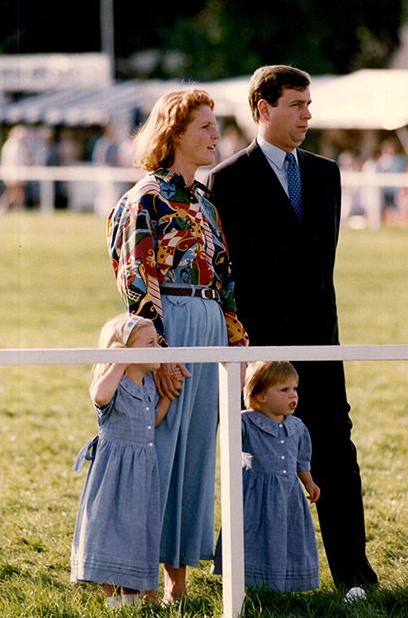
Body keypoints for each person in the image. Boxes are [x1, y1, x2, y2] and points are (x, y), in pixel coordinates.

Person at [207, 64, 378, 594]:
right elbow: (232, 275)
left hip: (323, 342)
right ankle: (242, 570)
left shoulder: (327, 174)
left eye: (309, 104)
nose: (308, 114)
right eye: (297, 104)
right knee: (255, 457)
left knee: (335, 450)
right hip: (262, 351)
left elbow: (320, 267)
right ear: (264, 108)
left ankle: (354, 575)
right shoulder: (227, 180)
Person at [106, 88, 249, 604]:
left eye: (215, 126)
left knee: (194, 460)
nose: (216, 135)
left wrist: (236, 344)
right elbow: (137, 279)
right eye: (206, 127)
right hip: (170, 328)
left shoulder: (207, 202)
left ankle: (177, 583)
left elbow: (225, 279)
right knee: (158, 453)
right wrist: (160, 353)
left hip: (210, 327)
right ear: (175, 134)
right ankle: (132, 579)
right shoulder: (145, 198)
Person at [70, 312, 172, 609]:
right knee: (109, 529)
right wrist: (120, 361)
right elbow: (100, 397)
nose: (159, 348)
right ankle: (113, 599)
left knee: (136, 530)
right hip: (114, 471)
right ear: (125, 350)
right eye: (151, 343)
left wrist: (167, 398)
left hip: (142, 469)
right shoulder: (113, 381)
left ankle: (132, 598)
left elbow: (151, 420)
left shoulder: (149, 384)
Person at [213, 361, 320, 592]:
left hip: (287, 494)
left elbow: (301, 460)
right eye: (284, 390)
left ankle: (284, 581)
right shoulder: (244, 422)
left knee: (286, 535)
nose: (293, 395)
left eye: (294, 389)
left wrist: (308, 482)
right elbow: (228, 441)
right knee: (253, 536)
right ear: (260, 396)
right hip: (255, 495)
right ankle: (247, 580)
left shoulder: (297, 427)